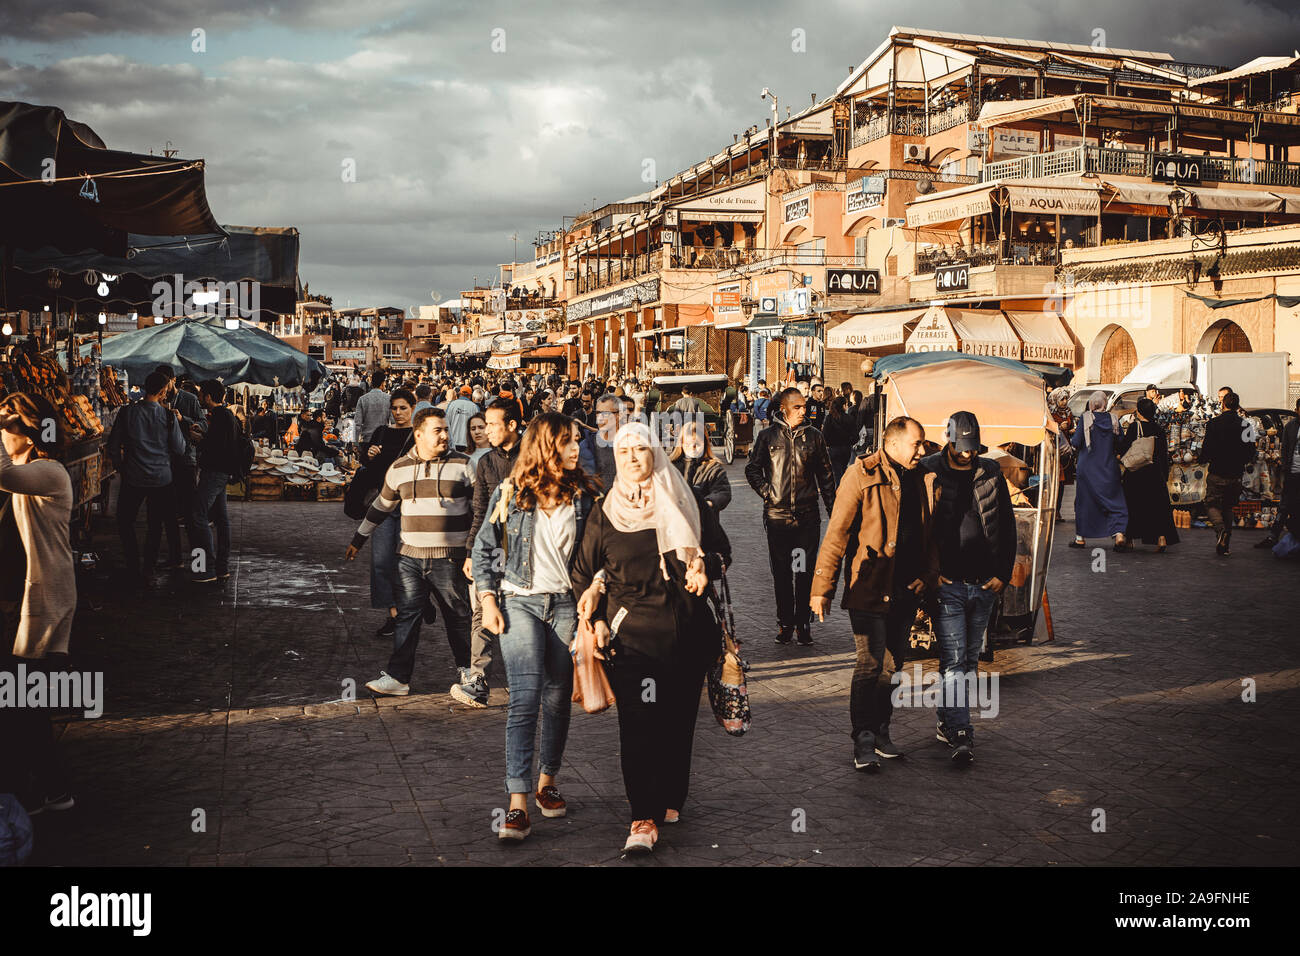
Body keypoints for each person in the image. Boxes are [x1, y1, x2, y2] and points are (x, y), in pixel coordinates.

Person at [570, 422, 730, 854]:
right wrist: (599, 613)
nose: (633, 459)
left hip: (687, 633)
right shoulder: (606, 511)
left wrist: (704, 566)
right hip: (634, 639)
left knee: (678, 723)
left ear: (655, 453)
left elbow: (722, 552)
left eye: (640, 450)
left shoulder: (686, 498)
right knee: (640, 725)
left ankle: (671, 796)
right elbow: (583, 569)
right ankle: (642, 815)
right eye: (624, 453)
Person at [471, 414, 602, 841]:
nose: (576, 449)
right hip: (520, 601)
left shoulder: (584, 494)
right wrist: (488, 599)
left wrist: (597, 599)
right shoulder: (510, 492)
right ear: (547, 445)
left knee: (559, 696)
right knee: (524, 698)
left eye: (577, 442)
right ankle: (517, 803)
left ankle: (548, 781)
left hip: (567, 605)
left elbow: (600, 554)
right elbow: (485, 547)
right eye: (568, 442)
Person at [811, 417, 936, 771]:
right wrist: (822, 588)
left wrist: (928, 576)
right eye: (917, 444)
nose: (922, 450)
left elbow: (931, 534)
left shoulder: (923, 476)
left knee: (895, 664)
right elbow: (837, 534)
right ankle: (863, 738)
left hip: (906, 589)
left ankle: (881, 731)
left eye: (923, 444)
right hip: (869, 586)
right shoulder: (861, 474)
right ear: (893, 444)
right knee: (870, 662)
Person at [347, 407, 474, 695]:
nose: (445, 435)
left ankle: (470, 674)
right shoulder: (399, 468)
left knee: (457, 616)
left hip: (449, 558)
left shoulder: (464, 465)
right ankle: (398, 678)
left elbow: (481, 510)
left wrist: (473, 552)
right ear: (418, 434)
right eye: (437, 430)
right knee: (407, 616)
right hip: (410, 558)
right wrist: (359, 538)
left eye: (445, 429)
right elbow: (382, 506)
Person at [919, 411, 1015, 766]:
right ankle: (962, 732)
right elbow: (916, 524)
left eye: (972, 448)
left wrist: (1002, 574)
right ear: (949, 440)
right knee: (954, 660)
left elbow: (1005, 523)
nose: (967, 454)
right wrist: (930, 573)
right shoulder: (929, 469)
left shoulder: (990, 471)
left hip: (984, 584)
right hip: (949, 586)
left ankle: (947, 721)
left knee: (969, 662)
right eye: (962, 448)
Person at [0, 393, 76, 813]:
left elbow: (1, 474)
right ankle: (48, 789)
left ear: (29, 434)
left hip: (48, 594)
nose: (1, 431)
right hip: (42, 592)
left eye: (7, 425)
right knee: (25, 702)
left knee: (24, 702)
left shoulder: (49, 471)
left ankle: (49, 790)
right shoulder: (34, 470)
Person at [744, 387, 835, 646]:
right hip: (777, 516)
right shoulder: (767, 436)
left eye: (804, 406)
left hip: (807, 516)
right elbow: (752, 469)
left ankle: (803, 623)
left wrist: (835, 513)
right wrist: (767, 492)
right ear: (783, 408)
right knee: (782, 573)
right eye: (797, 407)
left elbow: (827, 478)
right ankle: (785, 622)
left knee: (804, 572)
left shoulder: (814, 437)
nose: (803, 411)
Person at [452, 398, 524, 707]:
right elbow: (479, 511)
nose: (487, 431)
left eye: (493, 424)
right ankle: (478, 679)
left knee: (524, 611)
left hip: (527, 549)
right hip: (493, 546)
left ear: (511, 426)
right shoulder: (486, 463)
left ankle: (529, 680)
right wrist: (471, 553)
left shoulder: (533, 457)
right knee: (482, 607)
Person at [107, 370, 187, 586]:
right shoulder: (169, 416)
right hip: (162, 478)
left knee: (125, 522)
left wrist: (120, 466)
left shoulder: (127, 413)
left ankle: (133, 566)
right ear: (162, 392)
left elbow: (113, 445)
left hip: (133, 477)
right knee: (155, 525)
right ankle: (148, 570)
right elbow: (180, 449)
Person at [358, 389, 416, 637]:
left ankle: (411, 608)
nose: (398, 413)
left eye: (403, 408)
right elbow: (369, 466)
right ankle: (393, 613)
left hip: (409, 507)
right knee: (381, 562)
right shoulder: (381, 432)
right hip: (383, 503)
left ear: (412, 408)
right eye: (395, 408)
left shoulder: (417, 436)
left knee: (406, 562)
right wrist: (369, 454)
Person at [188, 380, 243, 583]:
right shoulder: (227, 415)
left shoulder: (220, 416)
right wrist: (203, 436)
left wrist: (198, 439)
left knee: (197, 516)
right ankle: (221, 568)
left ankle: (204, 568)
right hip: (223, 472)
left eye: (202, 394)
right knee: (221, 518)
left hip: (214, 472)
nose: (200, 398)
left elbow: (217, 447)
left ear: (209, 397)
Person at [1068, 391, 1129, 551]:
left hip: (1087, 469)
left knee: (1084, 502)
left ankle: (1080, 538)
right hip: (1109, 467)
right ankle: (1119, 535)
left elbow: (1076, 441)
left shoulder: (1086, 418)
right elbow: (1120, 441)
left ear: (1091, 404)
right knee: (1115, 501)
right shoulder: (1114, 419)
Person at [1117, 398, 1179, 552]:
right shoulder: (1159, 429)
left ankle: (1129, 539)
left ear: (1139, 411)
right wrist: (1164, 474)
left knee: (1134, 505)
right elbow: (1163, 454)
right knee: (1158, 507)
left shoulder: (1134, 427)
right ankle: (1161, 538)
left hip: (1138, 473)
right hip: (1155, 473)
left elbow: (1124, 448)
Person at [1201, 390, 1255, 556]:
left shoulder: (1213, 424)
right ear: (1237, 406)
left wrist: (1203, 459)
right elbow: (1251, 451)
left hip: (1217, 472)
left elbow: (1206, 449)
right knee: (1228, 507)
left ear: (1223, 404)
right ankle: (1225, 545)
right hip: (1235, 474)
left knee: (1211, 504)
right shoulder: (1246, 425)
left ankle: (1221, 530)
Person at [1257, 397, 1300, 549]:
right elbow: (1285, 448)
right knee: (1284, 505)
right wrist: (1285, 467)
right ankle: (1273, 536)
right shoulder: (1291, 426)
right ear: (1297, 411)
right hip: (1292, 473)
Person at [669, 419, 731, 513]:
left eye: (697, 444)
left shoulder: (713, 467)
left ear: (705, 444)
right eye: (688, 444)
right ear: (681, 444)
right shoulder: (671, 466)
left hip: (704, 519)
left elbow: (722, 491)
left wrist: (708, 503)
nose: (692, 447)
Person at [579, 393, 621, 490]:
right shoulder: (586, 446)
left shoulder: (630, 445)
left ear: (618, 415)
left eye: (605, 413)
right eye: (598, 413)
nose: (600, 418)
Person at [822, 395, 858, 484]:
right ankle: (842, 489)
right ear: (843, 406)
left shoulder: (829, 418)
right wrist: (849, 442)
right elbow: (855, 436)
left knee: (836, 472)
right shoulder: (849, 418)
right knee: (843, 469)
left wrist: (828, 444)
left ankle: (838, 491)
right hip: (846, 448)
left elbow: (825, 434)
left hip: (833, 448)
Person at [353, 370, 391, 445]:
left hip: (367, 439)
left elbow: (357, 423)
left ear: (372, 383)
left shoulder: (362, 399)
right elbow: (393, 421)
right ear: (382, 383)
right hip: (383, 439)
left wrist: (355, 442)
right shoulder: (389, 399)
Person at [445, 385, 480, 452]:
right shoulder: (474, 407)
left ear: (460, 394)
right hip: (468, 443)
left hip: (453, 442)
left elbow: (446, 422)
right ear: (470, 395)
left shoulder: (452, 405)